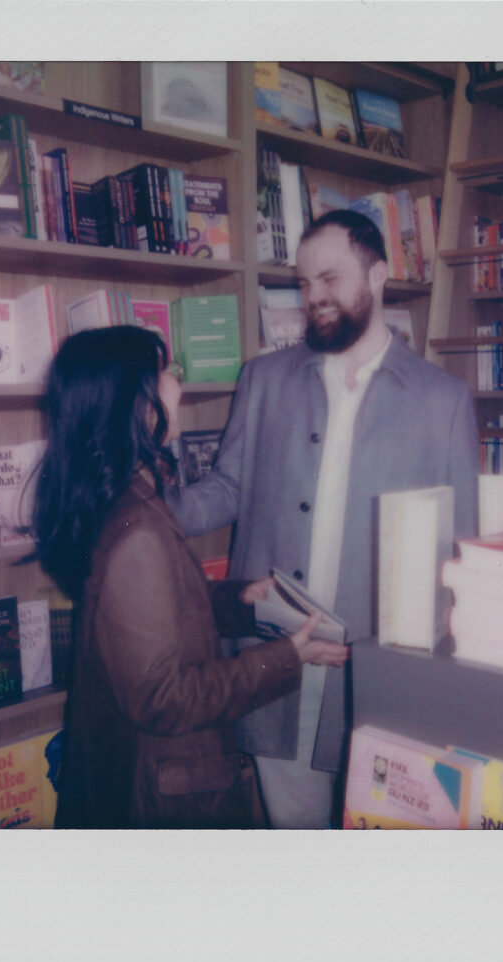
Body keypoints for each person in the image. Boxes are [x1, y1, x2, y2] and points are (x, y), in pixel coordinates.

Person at [166, 209, 480, 829]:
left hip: (385, 674)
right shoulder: (261, 380)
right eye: (304, 284)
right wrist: (153, 510)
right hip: (282, 664)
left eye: (330, 279)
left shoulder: (443, 400)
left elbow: (459, 550)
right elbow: (228, 487)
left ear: (380, 275)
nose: (314, 298)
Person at [30, 325, 347, 829]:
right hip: (160, 793)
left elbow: (153, 613)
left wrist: (243, 601)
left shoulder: (117, 500)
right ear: (137, 401)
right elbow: (164, 698)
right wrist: (288, 657)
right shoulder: (136, 530)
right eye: (166, 371)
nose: (177, 382)